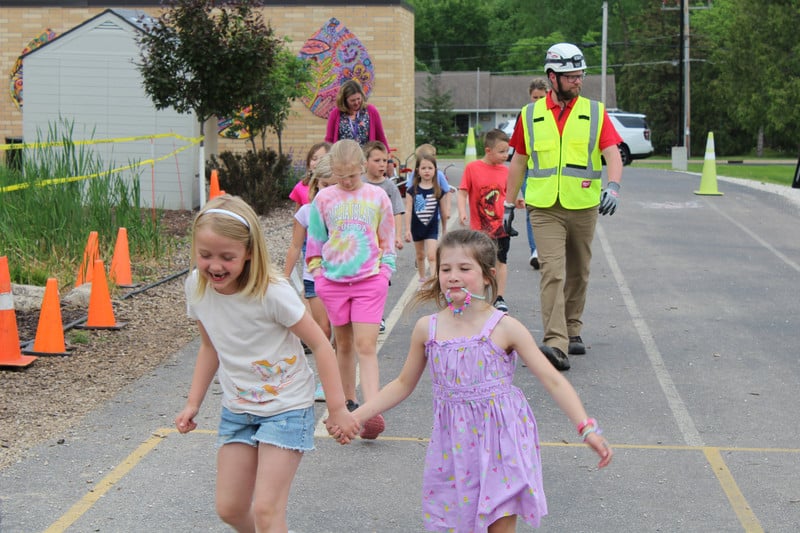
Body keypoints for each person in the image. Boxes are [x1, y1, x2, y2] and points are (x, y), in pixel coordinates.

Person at [329, 230, 612, 532]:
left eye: (465, 269)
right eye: (446, 269)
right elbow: (402, 383)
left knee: (499, 522)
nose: (453, 276)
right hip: (453, 449)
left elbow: (552, 380)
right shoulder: (429, 329)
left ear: (488, 276)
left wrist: (587, 428)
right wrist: (355, 416)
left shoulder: (505, 328)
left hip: (503, 443)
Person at [174, 194, 359, 532]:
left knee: (267, 510)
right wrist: (192, 403)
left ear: (248, 252)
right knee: (230, 508)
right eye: (205, 255)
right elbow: (209, 346)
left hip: (287, 408)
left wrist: (337, 408)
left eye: (227, 257)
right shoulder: (196, 289)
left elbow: (319, 342)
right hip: (238, 408)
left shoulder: (272, 291)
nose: (215, 266)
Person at [507, 43, 623, 371]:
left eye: (579, 75)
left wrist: (613, 187)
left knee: (579, 271)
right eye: (571, 76)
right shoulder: (530, 115)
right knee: (552, 272)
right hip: (543, 206)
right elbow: (518, 160)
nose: (578, 81)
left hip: (584, 204)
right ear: (552, 77)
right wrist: (507, 203)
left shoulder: (595, 112)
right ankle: (555, 341)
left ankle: (573, 329)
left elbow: (613, 153)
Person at [306, 139, 396, 440]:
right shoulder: (324, 199)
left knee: (366, 345)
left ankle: (371, 410)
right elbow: (315, 242)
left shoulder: (377, 196)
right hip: (333, 282)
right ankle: (348, 404)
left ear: (362, 168)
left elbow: (387, 238)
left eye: (352, 176)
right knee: (342, 344)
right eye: (341, 175)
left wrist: (385, 272)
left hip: (370, 280)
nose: (346, 181)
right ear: (332, 170)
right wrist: (318, 275)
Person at [284, 154, 336, 401]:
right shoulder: (305, 212)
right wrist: (283, 277)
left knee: (342, 333)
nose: (329, 191)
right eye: (325, 185)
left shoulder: (343, 211)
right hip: (313, 278)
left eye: (334, 185)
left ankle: (338, 379)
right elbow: (295, 246)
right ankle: (324, 382)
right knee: (322, 330)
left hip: (341, 278)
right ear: (316, 185)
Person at [457, 128, 522, 314]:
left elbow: (508, 196)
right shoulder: (473, 168)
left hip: (501, 227)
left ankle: (499, 297)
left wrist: (517, 202)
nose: (506, 155)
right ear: (488, 150)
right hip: (480, 229)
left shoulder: (506, 171)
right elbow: (462, 192)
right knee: (480, 263)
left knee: (501, 261)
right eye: (501, 151)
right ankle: (478, 295)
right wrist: (462, 212)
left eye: (507, 151)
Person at [405, 152, 447, 284]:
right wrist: (407, 230)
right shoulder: (412, 190)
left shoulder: (438, 190)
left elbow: (444, 212)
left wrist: (445, 229)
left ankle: (434, 280)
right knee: (420, 255)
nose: (427, 171)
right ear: (417, 171)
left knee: (432, 255)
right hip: (416, 228)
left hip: (431, 228)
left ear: (435, 170)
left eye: (430, 168)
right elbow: (408, 210)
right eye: (423, 168)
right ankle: (422, 279)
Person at [522, 78, 548, 270]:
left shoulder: (554, 116)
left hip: (548, 172)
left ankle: (550, 249)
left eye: (541, 97)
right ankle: (535, 251)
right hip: (528, 170)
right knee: (532, 211)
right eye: (534, 97)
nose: (537, 101)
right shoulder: (525, 116)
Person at [289, 141, 330, 212]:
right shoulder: (301, 186)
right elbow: (297, 216)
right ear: (308, 163)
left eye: (323, 159)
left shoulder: (335, 185)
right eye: (314, 159)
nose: (318, 162)